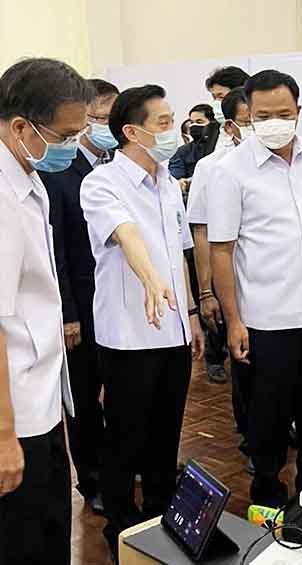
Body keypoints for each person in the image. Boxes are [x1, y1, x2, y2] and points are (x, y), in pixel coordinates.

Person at [208, 70, 302, 508]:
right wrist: (233, 320)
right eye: (262, 116)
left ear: (298, 111)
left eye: (283, 114)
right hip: (264, 319)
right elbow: (222, 250)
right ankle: (267, 494)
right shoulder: (230, 171)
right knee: (267, 416)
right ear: (248, 115)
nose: (273, 123)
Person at [80, 84, 204, 558]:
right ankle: (121, 523)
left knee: (167, 431)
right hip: (130, 334)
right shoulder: (103, 183)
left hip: (173, 329)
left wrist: (190, 314)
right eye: (164, 123)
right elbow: (127, 235)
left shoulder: (168, 181)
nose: (174, 131)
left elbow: (178, 254)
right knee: (125, 436)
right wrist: (151, 279)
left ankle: (159, 512)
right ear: (132, 132)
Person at [0, 57, 91, 565]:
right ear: (21, 128)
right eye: (65, 136)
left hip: (40, 401)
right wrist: (3, 439)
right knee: (25, 543)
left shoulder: (27, 178)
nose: (71, 147)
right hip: (15, 414)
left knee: (52, 529)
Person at [37, 77, 119, 516]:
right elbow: (57, 249)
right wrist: (68, 313)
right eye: (99, 118)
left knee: (120, 392)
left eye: (112, 117)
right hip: (80, 305)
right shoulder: (57, 171)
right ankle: (92, 478)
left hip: (116, 303)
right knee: (85, 398)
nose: (106, 126)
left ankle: (122, 466)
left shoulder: (118, 164)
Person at [187, 87, 252, 388]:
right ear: (229, 126)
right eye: (249, 121)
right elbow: (201, 230)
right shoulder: (211, 167)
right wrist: (205, 292)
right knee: (241, 355)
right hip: (227, 271)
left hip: (270, 285)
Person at [204, 66, 250, 156]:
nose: (216, 102)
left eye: (221, 96)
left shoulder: (256, 128)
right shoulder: (211, 130)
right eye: (214, 97)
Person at [168, 102, 214, 185]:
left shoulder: (221, 145)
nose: (194, 126)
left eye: (199, 122)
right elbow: (175, 180)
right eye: (192, 122)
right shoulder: (181, 152)